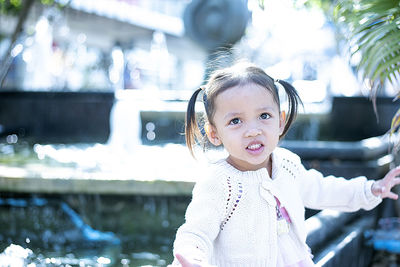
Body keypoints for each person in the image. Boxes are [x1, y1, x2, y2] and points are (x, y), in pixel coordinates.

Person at [169, 61, 400, 267]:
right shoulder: (220, 182)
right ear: (214, 133)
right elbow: (196, 231)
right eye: (236, 121)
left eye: (264, 116)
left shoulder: (287, 164)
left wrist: (368, 189)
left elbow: (323, 189)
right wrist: (193, 256)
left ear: (280, 121)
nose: (253, 130)